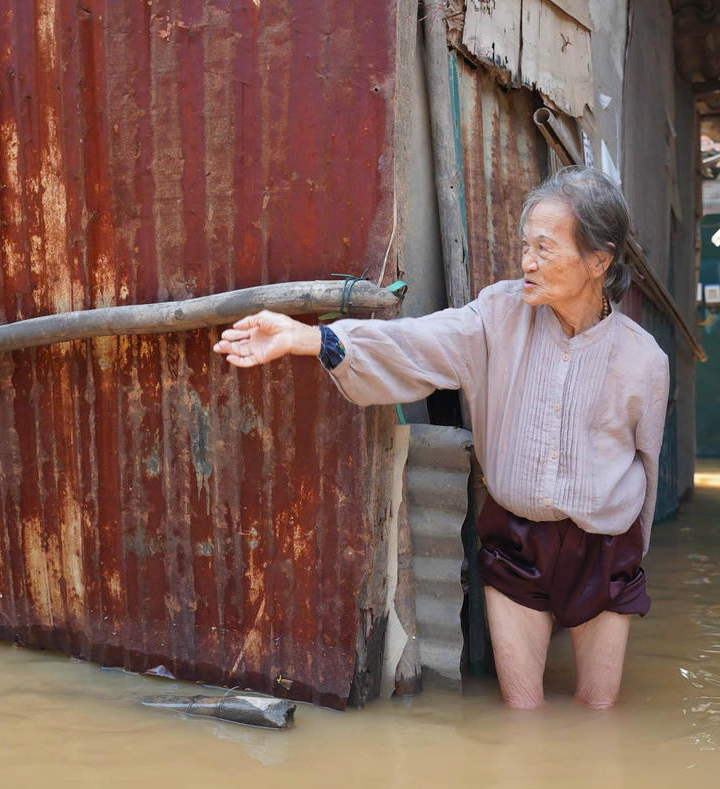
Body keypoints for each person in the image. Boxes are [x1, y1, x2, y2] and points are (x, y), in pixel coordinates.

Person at [214, 166, 670, 710]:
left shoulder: (644, 360)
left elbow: (647, 474)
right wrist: (312, 339)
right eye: (526, 246)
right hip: (517, 540)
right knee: (522, 714)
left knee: (598, 714)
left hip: (603, 546)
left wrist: (630, 561)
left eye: (545, 248)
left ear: (599, 261)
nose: (527, 262)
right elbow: (419, 342)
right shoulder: (499, 315)